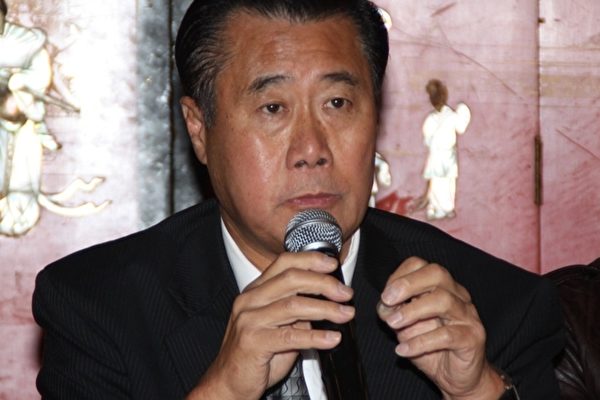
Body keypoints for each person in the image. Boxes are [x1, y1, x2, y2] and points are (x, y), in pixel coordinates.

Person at [33, 1, 564, 399]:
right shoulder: (99, 310)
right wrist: (223, 391)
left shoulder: (495, 308)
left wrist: (477, 394)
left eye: (337, 103)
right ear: (199, 129)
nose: (312, 150)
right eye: (273, 108)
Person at [421, 79, 471, 220]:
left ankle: (446, 208)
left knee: (447, 182)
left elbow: (460, 127)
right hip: (438, 155)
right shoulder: (432, 118)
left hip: (446, 155)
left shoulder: (449, 116)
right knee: (437, 182)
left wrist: (463, 110)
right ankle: (435, 208)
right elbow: (427, 137)